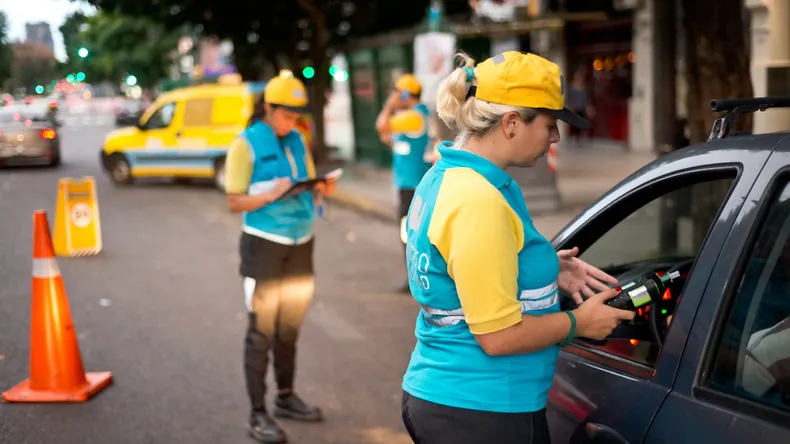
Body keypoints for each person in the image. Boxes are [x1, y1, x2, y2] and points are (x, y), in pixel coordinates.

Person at [400, 51, 636, 444]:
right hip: (482, 410)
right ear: (511, 123)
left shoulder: (449, 176)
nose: (555, 137)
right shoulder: (478, 200)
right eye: (549, 125)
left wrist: (544, 267)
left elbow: (461, 268)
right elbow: (498, 337)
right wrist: (579, 323)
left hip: (455, 400)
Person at [224, 69, 335, 444]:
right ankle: (257, 413)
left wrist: (320, 188)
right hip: (265, 246)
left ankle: (285, 397)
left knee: (289, 328)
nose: (292, 122)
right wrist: (272, 194)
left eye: (296, 115)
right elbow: (234, 201)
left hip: (301, 243)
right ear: (268, 108)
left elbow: (307, 182)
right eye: (286, 115)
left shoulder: (298, 139)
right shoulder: (245, 144)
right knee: (262, 333)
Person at [375, 73, 433, 293]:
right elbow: (388, 137)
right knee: (411, 232)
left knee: (410, 233)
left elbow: (381, 126)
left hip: (412, 186)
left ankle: (418, 280)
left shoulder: (413, 117)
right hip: (410, 184)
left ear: (406, 95)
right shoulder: (410, 117)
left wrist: (389, 106)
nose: (393, 96)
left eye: (397, 93)